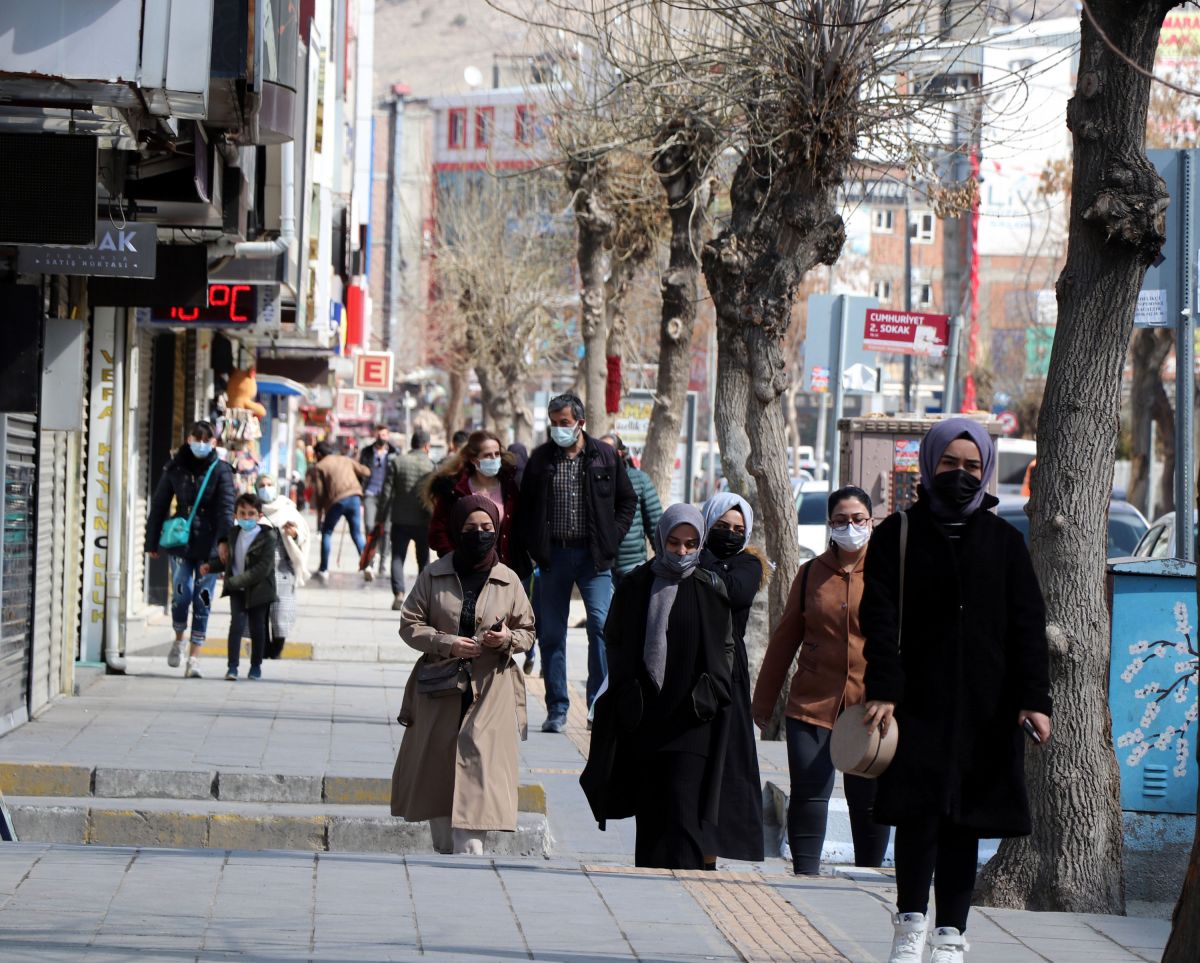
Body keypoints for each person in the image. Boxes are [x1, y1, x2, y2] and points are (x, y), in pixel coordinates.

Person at [860, 418, 1052, 963]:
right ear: (929, 465)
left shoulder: (1006, 543)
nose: (961, 475)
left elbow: (1026, 626)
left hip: (986, 710)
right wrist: (884, 688)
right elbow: (877, 620)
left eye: (972, 467)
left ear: (986, 470)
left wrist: (1034, 699)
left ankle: (950, 937)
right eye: (950, 464)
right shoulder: (896, 534)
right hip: (916, 704)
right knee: (919, 818)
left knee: (965, 824)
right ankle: (909, 927)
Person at [580, 504, 734, 869]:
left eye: (690, 544)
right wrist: (626, 686)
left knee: (684, 810)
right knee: (650, 811)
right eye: (674, 543)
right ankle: (651, 887)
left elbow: (725, 647)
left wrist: (711, 691)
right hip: (646, 716)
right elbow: (613, 637)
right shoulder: (636, 584)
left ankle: (691, 888)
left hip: (693, 718)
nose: (681, 552)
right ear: (661, 539)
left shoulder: (708, 586)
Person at [751, 486, 891, 878]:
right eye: (842, 520)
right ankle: (806, 875)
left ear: (871, 521)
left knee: (868, 799)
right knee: (810, 793)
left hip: (870, 706)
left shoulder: (889, 572)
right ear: (830, 524)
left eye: (858, 519)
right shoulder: (811, 573)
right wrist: (763, 703)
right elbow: (784, 639)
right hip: (812, 705)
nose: (851, 527)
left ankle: (869, 874)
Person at [390, 494, 536, 855]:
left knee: (480, 770)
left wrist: (506, 640)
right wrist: (446, 642)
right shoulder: (434, 574)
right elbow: (410, 624)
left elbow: (528, 631)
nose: (480, 534)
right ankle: (447, 850)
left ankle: (471, 853)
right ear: (457, 530)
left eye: (487, 528)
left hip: (491, 691)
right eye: (471, 528)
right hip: (440, 689)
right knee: (439, 775)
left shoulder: (508, 579)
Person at [515, 394, 637, 733]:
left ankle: (598, 705)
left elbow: (627, 501)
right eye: (553, 423)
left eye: (564, 423)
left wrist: (613, 535)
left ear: (580, 422)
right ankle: (557, 709)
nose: (558, 429)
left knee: (601, 626)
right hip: (553, 557)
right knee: (551, 634)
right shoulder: (540, 460)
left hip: (593, 558)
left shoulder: (605, 456)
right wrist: (533, 547)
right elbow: (525, 510)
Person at [700, 492, 768, 865]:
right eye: (722, 526)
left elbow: (736, 591)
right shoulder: (693, 556)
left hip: (728, 673)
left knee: (728, 765)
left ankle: (712, 852)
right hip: (688, 668)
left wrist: (708, 571)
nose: (729, 534)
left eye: (738, 529)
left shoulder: (749, 564)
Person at [146, 420, 237, 679]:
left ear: (213, 443)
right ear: (188, 439)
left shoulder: (221, 471)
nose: (200, 443)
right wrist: (152, 541)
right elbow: (161, 503)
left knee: (203, 599)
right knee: (182, 594)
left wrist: (224, 542)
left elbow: (226, 509)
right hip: (181, 543)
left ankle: (194, 659)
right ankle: (178, 638)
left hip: (210, 545)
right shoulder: (175, 467)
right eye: (196, 438)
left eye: (205, 440)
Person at [425, 430, 526, 576]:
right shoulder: (456, 490)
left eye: (496, 454)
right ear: (474, 459)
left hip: (504, 572)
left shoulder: (509, 486)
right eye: (487, 455)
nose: (493, 459)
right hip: (465, 573)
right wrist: (454, 559)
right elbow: (437, 532)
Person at [202, 493, 279, 682]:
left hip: (260, 590)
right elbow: (229, 561)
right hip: (237, 589)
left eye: (251, 514)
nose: (246, 518)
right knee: (236, 625)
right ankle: (232, 667)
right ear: (236, 515)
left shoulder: (268, 537)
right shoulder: (233, 534)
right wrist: (211, 566)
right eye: (242, 513)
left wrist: (234, 582)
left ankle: (255, 666)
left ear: (259, 516)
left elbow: (263, 569)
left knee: (257, 628)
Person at [378, 430, 436, 610]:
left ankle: (399, 594)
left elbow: (386, 493)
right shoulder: (430, 465)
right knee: (423, 560)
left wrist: (381, 518)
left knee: (397, 557)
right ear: (426, 446)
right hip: (422, 521)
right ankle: (420, 599)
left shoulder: (397, 462)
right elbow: (434, 496)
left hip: (400, 520)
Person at [255, 475, 310, 655]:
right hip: (259, 570)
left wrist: (293, 533)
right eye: (262, 485)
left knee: (281, 614)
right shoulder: (252, 509)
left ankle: (277, 648)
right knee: (259, 613)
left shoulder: (287, 509)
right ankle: (262, 651)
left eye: (269, 484)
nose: (266, 488)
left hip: (283, 568)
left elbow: (303, 533)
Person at [600, 433, 662, 589]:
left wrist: (663, 559)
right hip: (602, 567)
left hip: (633, 565)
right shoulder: (591, 481)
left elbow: (655, 523)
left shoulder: (640, 480)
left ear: (619, 453)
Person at [311, 440, 371, 583]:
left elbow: (319, 493)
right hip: (354, 498)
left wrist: (320, 511)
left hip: (336, 501)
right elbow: (366, 471)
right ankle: (367, 566)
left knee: (327, 532)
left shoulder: (320, 466)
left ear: (318, 454)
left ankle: (324, 569)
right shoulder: (346, 460)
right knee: (356, 534)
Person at [360, 424, 399, 534]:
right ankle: (371, 550)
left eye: (383, 435)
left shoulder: (394, 453)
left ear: (388, 436)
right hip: (370, 493)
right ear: (374, 435)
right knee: (369, 525)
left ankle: (383, 551)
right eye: (378, 435)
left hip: (387, 495)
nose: (381, 437)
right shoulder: (366, 452)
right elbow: (360, 471)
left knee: (386, 529)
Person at [292, 438, 309, 510]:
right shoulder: (298, 453)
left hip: (299, 475)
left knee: (299, 492)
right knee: (299, 492)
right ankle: (299, 506)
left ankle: (300, 506)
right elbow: (299, 465)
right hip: (299, 476)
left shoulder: (298, 453)